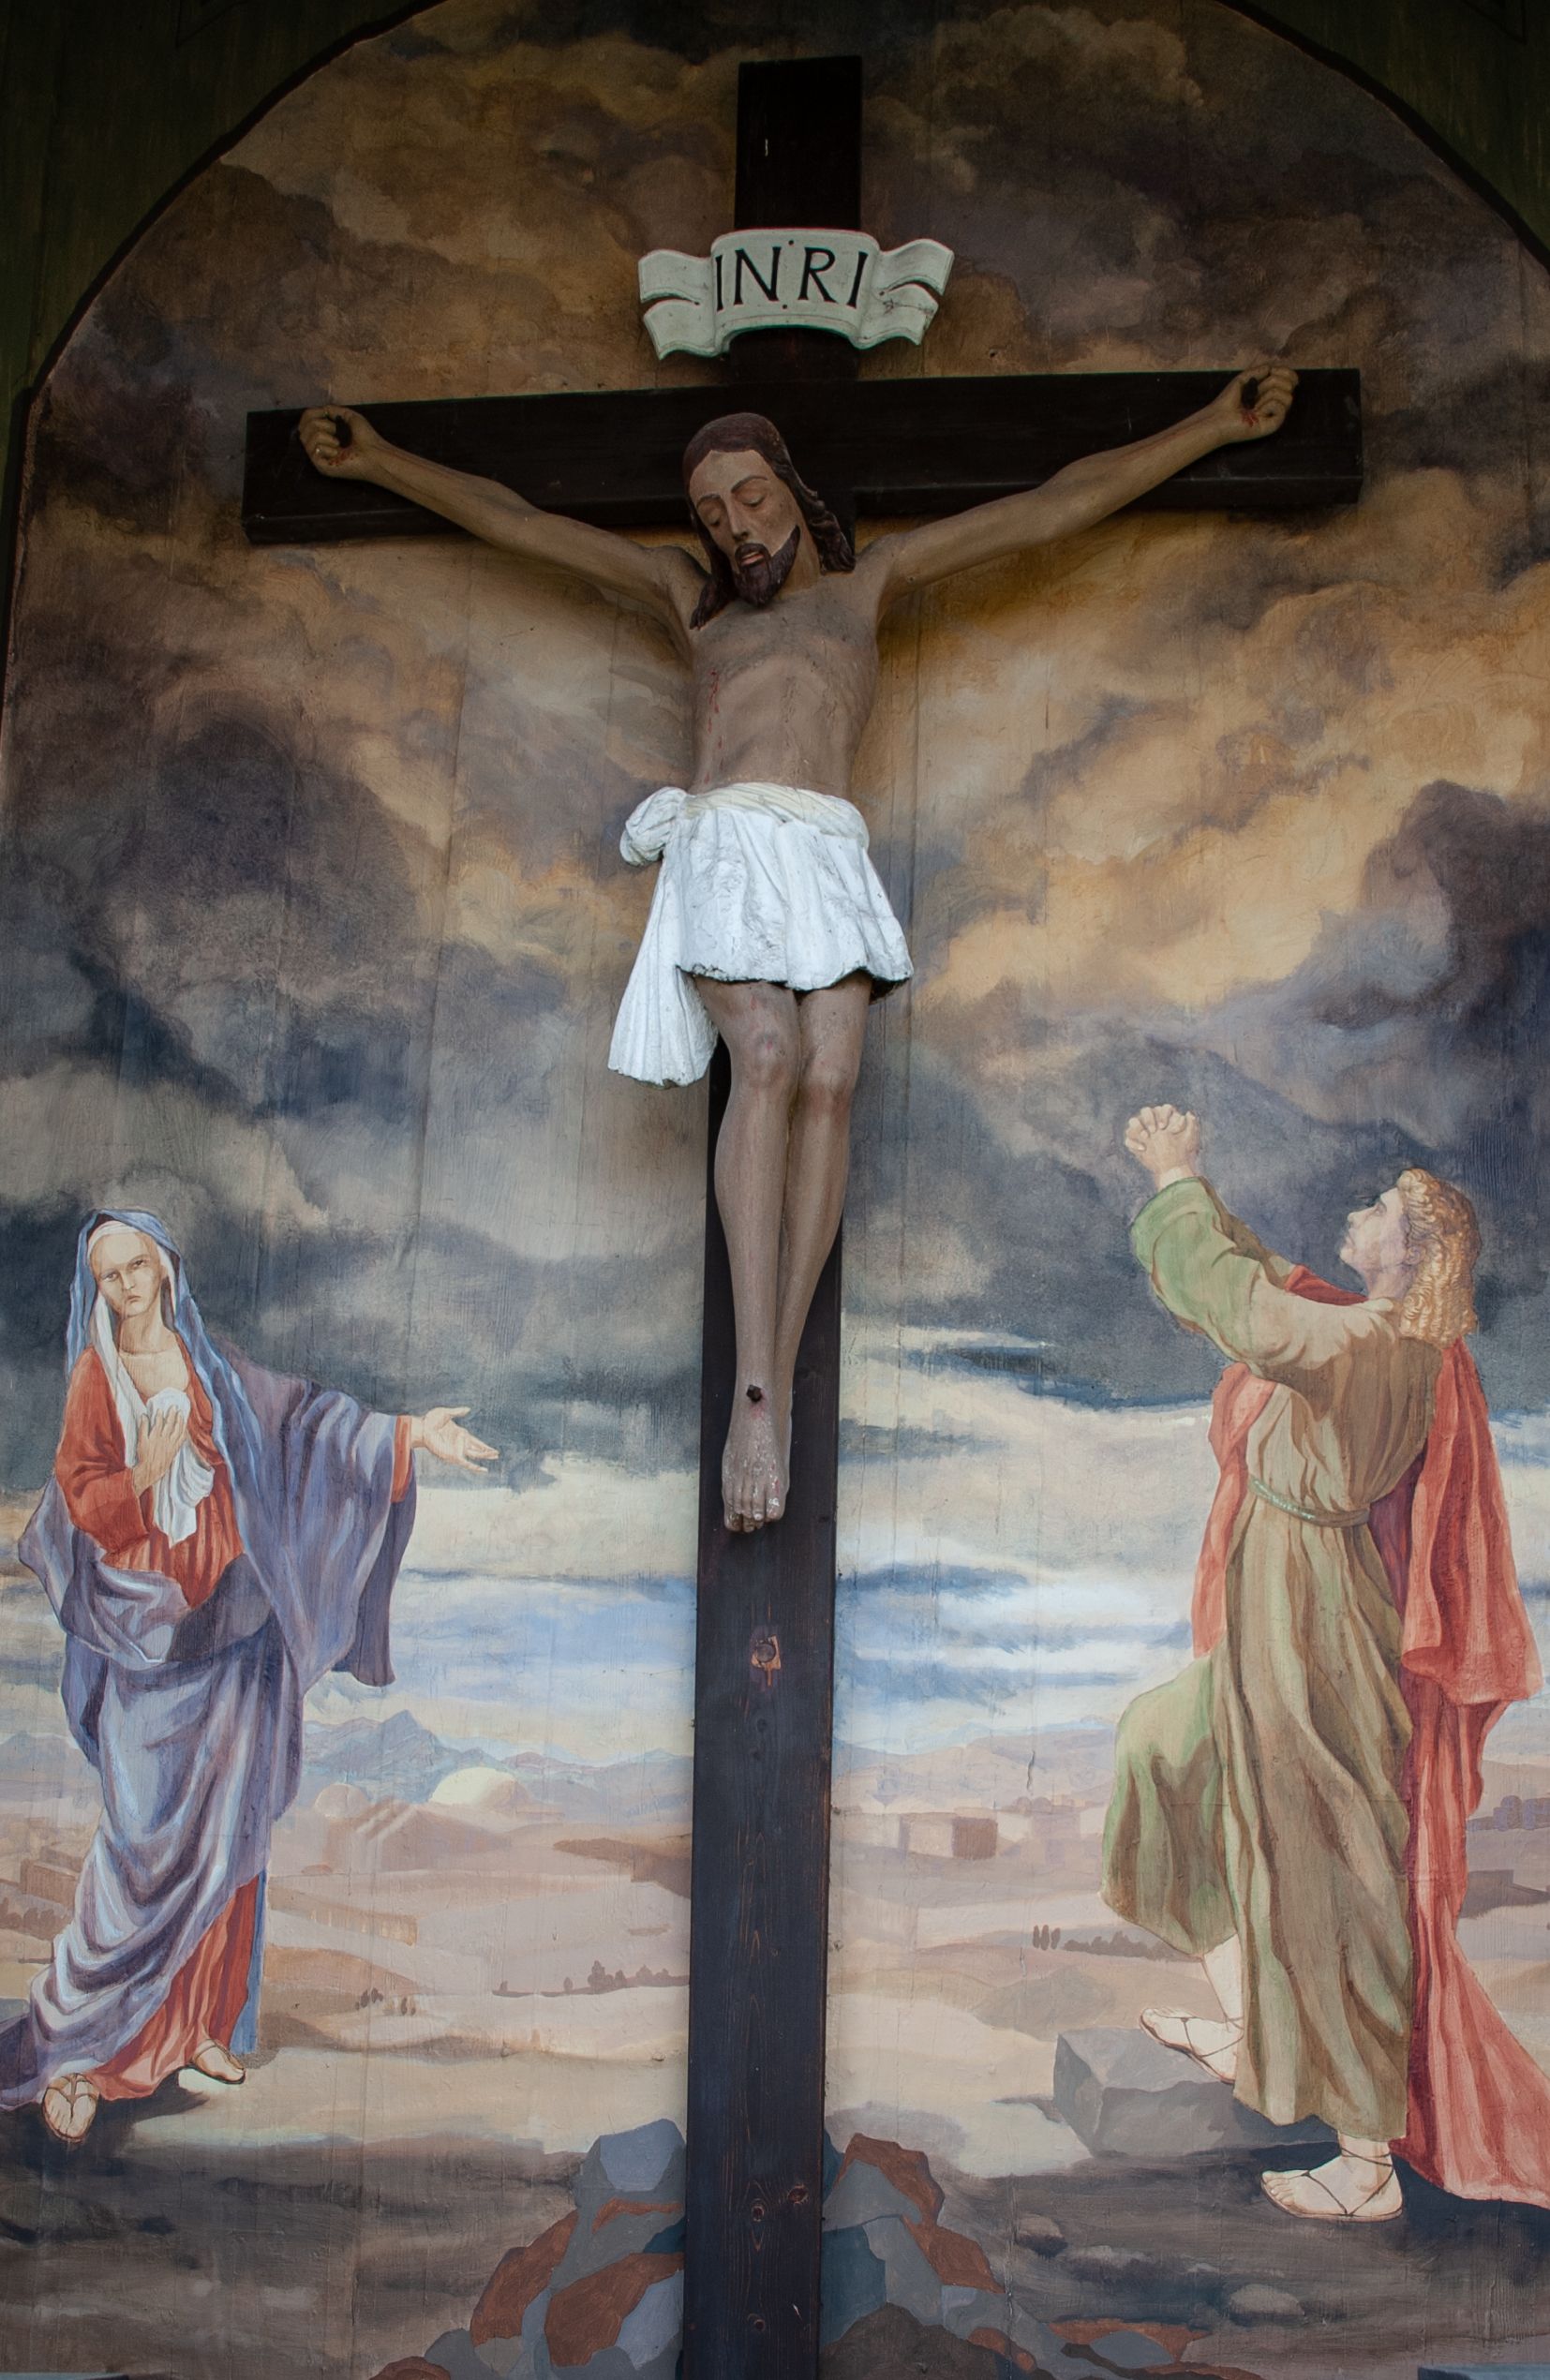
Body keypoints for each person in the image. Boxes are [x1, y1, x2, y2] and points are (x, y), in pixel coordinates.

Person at [299, 372, 1297, 1531]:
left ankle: (767, 1374)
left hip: (822, 850)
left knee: (831, 1076)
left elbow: (1048, 505)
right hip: (726, 844)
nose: (735, 527)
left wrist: (1212, 425)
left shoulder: (867, 587)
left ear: (792, 489)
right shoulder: (690, 603)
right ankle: (754, 1397)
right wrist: (376, 460)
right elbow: (524, 524)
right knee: (765, 1055)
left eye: (751, 498)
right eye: (712, 512)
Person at [1104, 1106, 1550, 2222]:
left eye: (1379, 1208)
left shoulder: (1371, 1344)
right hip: (1279, 1585)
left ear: (1407, 1253)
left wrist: (1173, 1179)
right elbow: (1269, 1281)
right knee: (1166, 1748)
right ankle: (1254, 2022)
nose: (1359, 1213)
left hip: (1312, 1609)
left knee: (1325, 1859)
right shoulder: (1365, 1327)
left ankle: (1365, 2163)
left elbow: (1244, 1308)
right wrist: (1200, 1198)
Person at [2, 1211, 496, 2145]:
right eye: (109, 1275)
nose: (127, 1286)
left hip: (235, 1629)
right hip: (148, 1639)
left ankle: (197, 2027)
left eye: (137, 1266)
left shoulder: (214, 1370)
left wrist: (406, 1435)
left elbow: (306, 1424)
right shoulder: (97, 1378)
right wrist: (143, 1477)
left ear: (164, 1268)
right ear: (96, 1287)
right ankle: (84, 2054)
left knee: (231, 1836)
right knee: (139, 1854)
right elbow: (80, 1497)